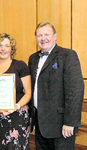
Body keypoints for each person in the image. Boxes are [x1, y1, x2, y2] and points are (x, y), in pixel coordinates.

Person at [28, 21, 84, 150]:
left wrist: (70, 122)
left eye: (46, 34)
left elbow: (75, 91)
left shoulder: (68, 55)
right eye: (39, 35)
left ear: (55, 36)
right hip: (40, 123)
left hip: (61, 125)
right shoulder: (33, 58)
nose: (43, 38)